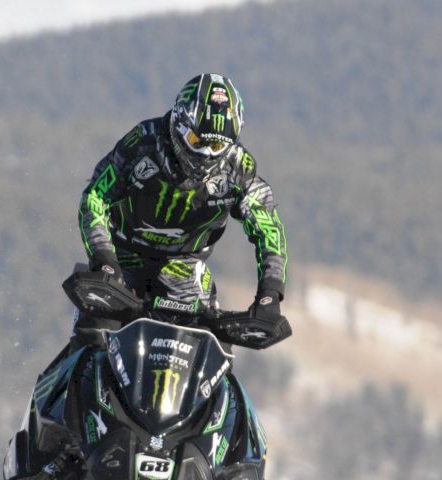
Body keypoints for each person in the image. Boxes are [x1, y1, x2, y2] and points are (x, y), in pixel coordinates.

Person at [74, 72, 289, 336]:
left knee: (214, 348)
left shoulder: (239, 168)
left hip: (185, 268)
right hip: (123, 256)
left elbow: (268, 229)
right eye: (197, 141)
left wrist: (270, 293)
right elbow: (95, 197)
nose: (205, 154)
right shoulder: (142, 143)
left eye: (216, 145)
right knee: (94, 335)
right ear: (179, 123)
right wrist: (104, 259)